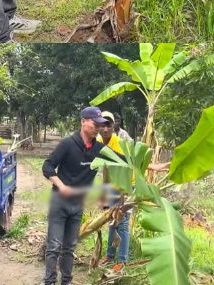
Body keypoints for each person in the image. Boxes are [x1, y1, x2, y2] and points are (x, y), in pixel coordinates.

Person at [41, 107, 168, 285]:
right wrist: (61, 186)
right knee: (54, 246)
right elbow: (47, 167)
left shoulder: (98, 148)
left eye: (100, 125)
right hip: (59, 203)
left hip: (77, 204)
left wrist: (152, 167)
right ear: (83, 121)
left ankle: (66, 281)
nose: (99, 128)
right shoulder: (67, 144)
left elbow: (123, 159)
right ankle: (49, 281)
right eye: (95, 124)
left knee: (69, 247)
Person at [96, 115, 131, 271]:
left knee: (122, 224)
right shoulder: (98, 141)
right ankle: (110, 256)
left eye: (108, 125)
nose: (104, 128)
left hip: (127, 184)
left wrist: (122, 197)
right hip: (112, 184)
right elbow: (105, 169)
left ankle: (122, 261)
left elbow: (125, 170)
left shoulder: (119, 143)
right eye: (101, 125)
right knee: (112, 222)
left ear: (113, 127)